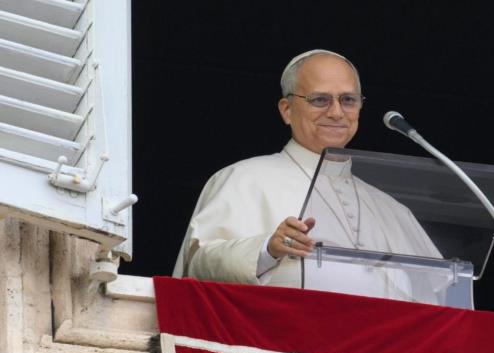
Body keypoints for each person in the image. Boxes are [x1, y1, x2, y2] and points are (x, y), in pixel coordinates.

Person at [173, 49, 447, 303]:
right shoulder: (244, 178)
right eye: (320, 100)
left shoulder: (391, 208)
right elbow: (198, 267)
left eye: (348, 100)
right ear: (287, 110)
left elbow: (439, 297)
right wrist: (268, 249)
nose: (336, 112)